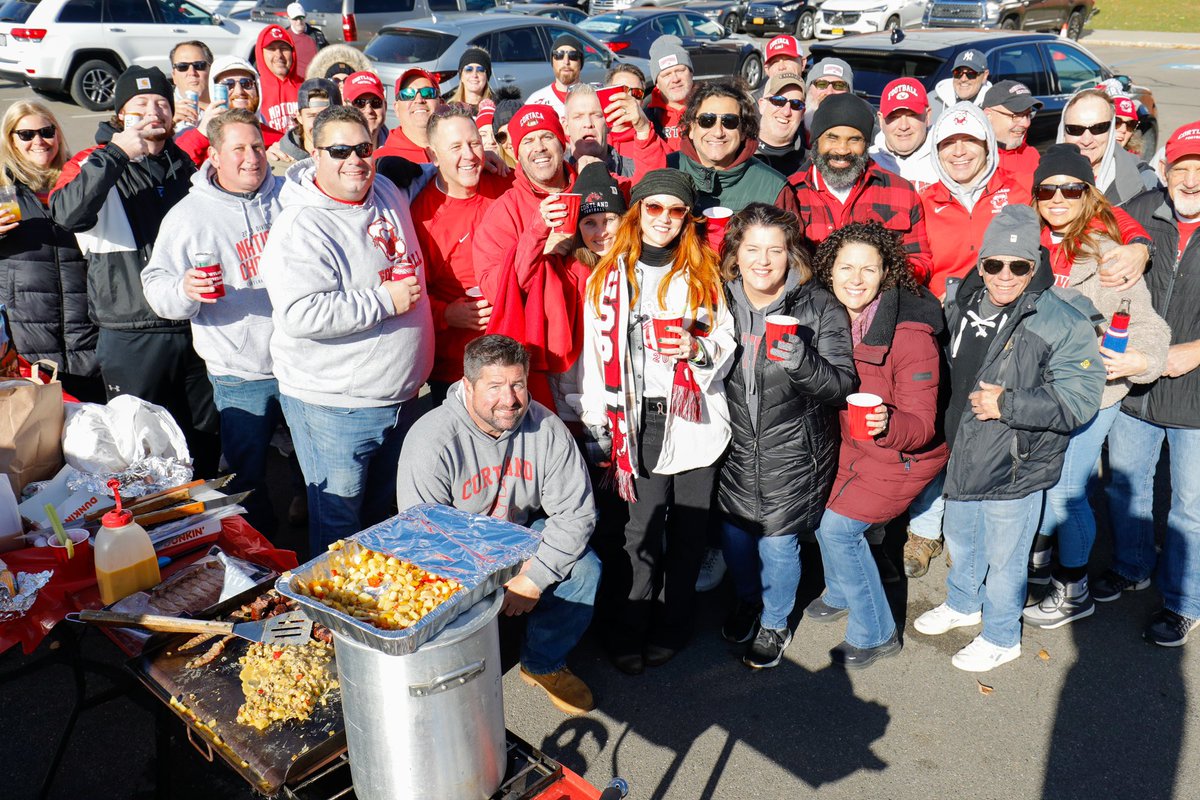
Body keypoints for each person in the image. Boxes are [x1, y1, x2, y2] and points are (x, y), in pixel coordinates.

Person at [913, 206, 1104, 672]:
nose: (1004, 275)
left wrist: (1010, 404)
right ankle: (963, 603)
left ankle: (1001, 635)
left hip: (1015, 460)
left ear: (1035, 265)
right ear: (981, 263)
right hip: (962, 448)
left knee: (1006, 556)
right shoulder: (961, 298)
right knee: (961, 537)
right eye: (994, 263)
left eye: (1018, 266)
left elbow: (1080, 400)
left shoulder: (1061, 318)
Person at [579, 169, 734, 673]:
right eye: (653, 208)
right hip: (636, 418)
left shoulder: (703, 274)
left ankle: (674, 624)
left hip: (693, 417)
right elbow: (590, 353)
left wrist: (697, 346)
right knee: (639, 533)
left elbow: (724, 341)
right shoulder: (608, 276)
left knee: (690, 532)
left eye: (675, 210)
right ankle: (630, 626)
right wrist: (596, 419)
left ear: (687, 218)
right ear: (637, 212)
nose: (664, 219)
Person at [396, 335, 600, 715]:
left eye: (517, 384)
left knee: (585, 569)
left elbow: (576, 513)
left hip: (519, 535)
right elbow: (423, 539)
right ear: (468, 386)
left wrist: (533, 577)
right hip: (456, 550)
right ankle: (450, 679)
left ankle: (543, 663)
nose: (509, 399)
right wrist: (484, 583)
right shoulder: (432, 440)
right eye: (494, 387)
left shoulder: (546, 427)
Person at [260, 106, 433, 552]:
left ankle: (375, 611)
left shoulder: (386, 189)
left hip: (400, 398)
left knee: (381, 519)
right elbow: (300, 313)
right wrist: (383, 301)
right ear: (314, 153)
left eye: (363, 148)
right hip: (336, 408)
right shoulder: (301, 225)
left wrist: (468, 160)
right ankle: (334, 619)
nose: (354, 159)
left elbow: (423, 172)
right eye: (339, 150)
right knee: (340, 526)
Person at [1021, 144, 1170, 629]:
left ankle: (1073, 587)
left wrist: (1133, 360)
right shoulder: (1028, 243)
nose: (1058, 198)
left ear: (1088, 194)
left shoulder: (1108, 253)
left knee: (1066, 489)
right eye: (1048, 189)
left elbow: (1148, 327)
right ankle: (1041, 564)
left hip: (1093, 391)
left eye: (1071, 189)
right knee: (1041, 480)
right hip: (1040, 390)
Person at [49, 65, 219, 474]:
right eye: (139, 104)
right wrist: (117, 154)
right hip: (131, 332)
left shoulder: (184, 165)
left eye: (161, 102)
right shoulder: (94, 161)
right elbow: (67, 212)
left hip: (193, 326)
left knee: (205, 440)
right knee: (141, 453)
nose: (152, 112)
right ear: (120, 114)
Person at [717, 203, 856, 669]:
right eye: (752, 249)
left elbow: (842, 387)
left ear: (790, 253)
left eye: (774, 250)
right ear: (735, 253)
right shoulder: (717, 299)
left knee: (777, 543)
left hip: (794, 452)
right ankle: (747, 601)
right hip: (735, 447)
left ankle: (775, 622)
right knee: (735, 538)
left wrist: (802, 361)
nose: (763, 260)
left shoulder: (819, 306)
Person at [809, 222, 948, 668]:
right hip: (854, 448)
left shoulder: (910, 335)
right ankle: (841, 590)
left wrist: (886, 423)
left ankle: (877, 632)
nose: (855, 278)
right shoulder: (829, 316)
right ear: (828, 270)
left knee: (839, 529)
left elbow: (922, 425)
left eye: (868, 269)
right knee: (818, 512)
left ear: (886, 273)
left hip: (903, 454)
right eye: (845, 267)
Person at [141, 109, 286, 534]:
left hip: (303, 360)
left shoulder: (290, 197)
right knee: (248, 472)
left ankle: (309, 530)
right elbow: (156, 285)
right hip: (239, 369)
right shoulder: (189, 216)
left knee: (311, 463)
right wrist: (186, 290)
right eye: (238, 148)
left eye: (257, 146)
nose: (252, 157)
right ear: (216, 157)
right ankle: (264, 547)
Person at [1097, 122, 1200, 646]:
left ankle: (1183, 600)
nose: (1191, 180)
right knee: (1127, 486)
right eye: (1182, 168)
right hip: (1136, 386)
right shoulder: (1139, 212)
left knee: (1190, 505)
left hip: (1196, 391)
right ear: (1165, 170)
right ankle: (1132, 564)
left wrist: (1196, 351)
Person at [473, 103, 664, 307]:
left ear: (562, 144)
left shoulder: (593, 183)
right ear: (516, 153)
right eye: (528, 140)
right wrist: (539, 245)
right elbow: (495, 290)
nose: (539, 147)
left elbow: (652, 192)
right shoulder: (505, 210)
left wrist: (644, 132)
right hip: (548, 334)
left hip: (605, 322)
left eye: (547, 136)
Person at [0, 101, 101, 401]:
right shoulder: (4, 188)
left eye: (46, 131)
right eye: (27, 134)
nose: (39, 141)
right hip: (27, 330)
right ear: (10, 139)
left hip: (86, 324)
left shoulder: (78, 181)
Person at [411, 106, 509, 401]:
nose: (469, 155)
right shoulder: (422, 216)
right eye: (455, 147)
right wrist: (447, 314)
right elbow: (410, 294)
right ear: (433, 156)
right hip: (457, 369)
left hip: (514, 357)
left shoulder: (507, 184)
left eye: (474, 142)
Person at [790, 93, 932, 285]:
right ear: (815, 142)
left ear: (866, 144)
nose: (842, 150)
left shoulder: (901, 192)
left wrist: (880, 280)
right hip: (808, 306)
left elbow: (919, 260)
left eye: (854, 139)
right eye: (832, 138)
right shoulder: (792, 192)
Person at [920, 101, 1030, 299]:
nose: (959, 151)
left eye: (970, 140)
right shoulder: (924, 203)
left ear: (987, 145)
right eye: (948, 143)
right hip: (944, 315)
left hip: (1008, 312)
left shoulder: (1019, 191)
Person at [669, 79, 799, 214]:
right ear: (691, 128)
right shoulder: (667, 168)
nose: (718, 132)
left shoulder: (773, 189)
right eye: (707, 120)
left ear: (743, 131)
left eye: (729, 122)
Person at [175, 57, 285, 166]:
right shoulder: (198, 139)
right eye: (228, 84)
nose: (239, 91)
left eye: (246, 84)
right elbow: (176, 166)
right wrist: (203, 131)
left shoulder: (278, 140)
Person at [1058, 88, 1158, 206]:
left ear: (1110, 132)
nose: (1086, 140)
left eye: (1098, 128)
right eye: (1075, 129)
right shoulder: (1042, 177)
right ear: (1063, 133)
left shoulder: (1144, 180)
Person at [563, 83, 665, 180]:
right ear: (566, 126)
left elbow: (654, 185)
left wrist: (643, 128)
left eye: (597, 115)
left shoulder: (634, 171)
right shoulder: (557, 175)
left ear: (609, 123)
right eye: (578, 117)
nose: (588, 123)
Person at [870, 78, 937, 191]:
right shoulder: (867, 162)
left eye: (912, 115)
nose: (904, 126)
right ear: (881, 120)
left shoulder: (947, 161)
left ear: (928, 116)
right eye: (894, 117)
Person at [982, 80, 1043, 190]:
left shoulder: (1032, 156)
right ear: (988, 115)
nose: (1026, 124)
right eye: (1016, 115)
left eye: (1028, 114)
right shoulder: (970, 158)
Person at [374, 69, 442, 163]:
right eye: (408, 94)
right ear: (396, 108)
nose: (419, 100)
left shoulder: (457, 151)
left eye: (428, 92)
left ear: (441, 102)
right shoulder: (380, 161)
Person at [271, 77, 340, 163]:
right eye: (312, 116)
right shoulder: (278, 160)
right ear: (299, 117)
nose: (320, 124)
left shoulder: (354, 157)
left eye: (327, 116)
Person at [644, 36, 693, 154]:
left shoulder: (709, 107)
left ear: (691, 74)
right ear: (657, 84)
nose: (675, 79)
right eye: (666, 75)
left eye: (680, 70)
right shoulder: (647, 118)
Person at [754, 72, 806, 177]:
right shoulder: (736, 152)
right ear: (762, 105)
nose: (786, 112)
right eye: (778, 101)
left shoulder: (808, 166)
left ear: (802, 114)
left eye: (796, 104)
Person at [255, 25, 304, 134]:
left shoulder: (306, 88)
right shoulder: (254, 91)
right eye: (271, 49)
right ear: (261, 53)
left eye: (284, 48)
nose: (279, 55)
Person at [527, 33, 586, 121]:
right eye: (559, 55)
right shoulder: (534, 101)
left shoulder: (594, 98)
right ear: (552, 61)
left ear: (580, 62)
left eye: (573, 55)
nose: (566, 62)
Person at [929, 49, 991, 119]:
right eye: (958, 73)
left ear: (985, 75)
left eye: (971, 73)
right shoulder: (932, 99)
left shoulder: (994, 106)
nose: (963, 79)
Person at [802, 59, 853, 146]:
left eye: (839, 85)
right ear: (809, 89)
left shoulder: (863, 136)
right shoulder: (792, 131)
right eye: (821, 84)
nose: (829, 92)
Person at [169, 40, 213, 134]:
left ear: (211, 70)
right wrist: (169, 124)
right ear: (174, 76)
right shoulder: (163, 109)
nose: (192, 72)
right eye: (182, 66)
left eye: (199, 65)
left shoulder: (229, 100)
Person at [342, 71, 388, 147]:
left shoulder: (397, 150)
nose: (369, 110)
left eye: (375, 102)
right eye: (359, 103)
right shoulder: (335, 152)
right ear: (345, 107)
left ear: (385, 106)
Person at [285, 3, 326, 77]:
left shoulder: (316, 34)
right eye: (295, 18)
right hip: (295, 82)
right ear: (289, 18)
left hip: (316, 80)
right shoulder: (285, 36)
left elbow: (327, 56)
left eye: (301, 17)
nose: (299, 21)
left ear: (305, 16)